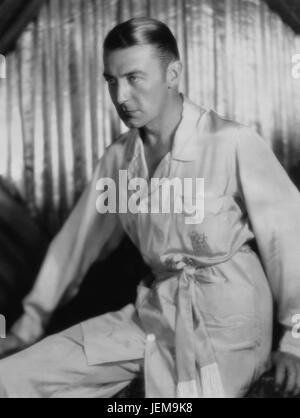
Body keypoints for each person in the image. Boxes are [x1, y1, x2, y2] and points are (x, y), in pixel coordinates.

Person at [0, 17, 300, 398]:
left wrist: (295, 342)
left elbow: (290, 241)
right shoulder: (119, 161)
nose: (120, 96)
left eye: (134, 78)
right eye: (111, 80)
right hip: (156, 311)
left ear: (173, 73)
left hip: (231, 324)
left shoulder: (231, 143)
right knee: (12, 377)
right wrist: (27, 326)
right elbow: (73, 247)